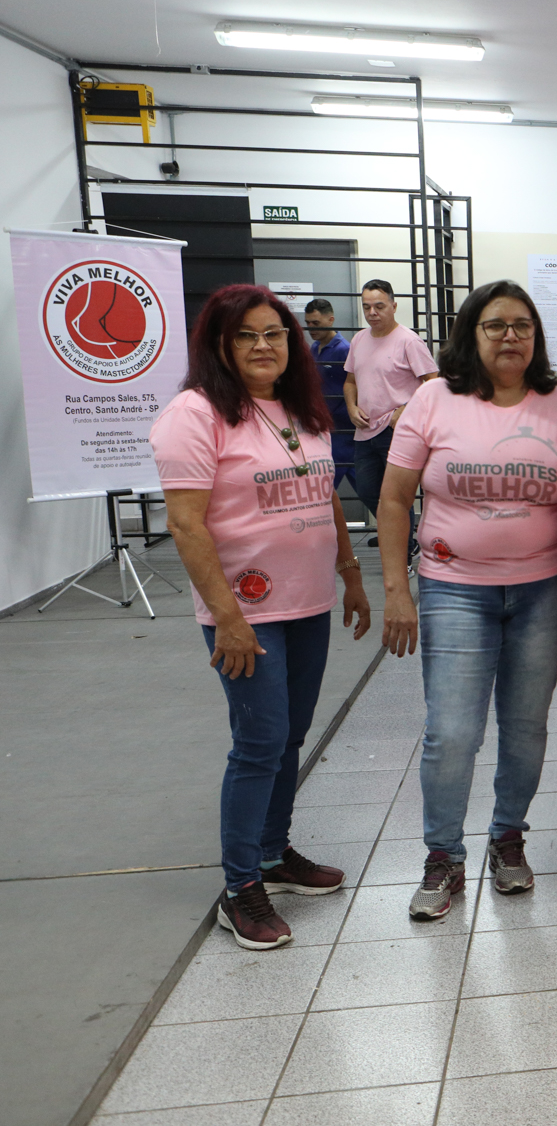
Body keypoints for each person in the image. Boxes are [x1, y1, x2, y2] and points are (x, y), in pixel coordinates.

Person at [150, 285, 372, 950]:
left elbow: (325, 493)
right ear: (219, 343)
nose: (262, 346)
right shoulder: (194, 415)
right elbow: (186, 524)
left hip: (307, 603)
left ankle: (274, 855)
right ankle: (240, 885)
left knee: (291, 735)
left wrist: (352, 575)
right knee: (259, 740)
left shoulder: (299, 409)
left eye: (274, 333)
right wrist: (228, 618)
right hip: (245, 612)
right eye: (245, 335)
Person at [377, 280, 557, 920]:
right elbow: (393, 499)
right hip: (453, 588)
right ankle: (444, 858)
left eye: (522, 325)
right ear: (472, 332)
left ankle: (508, 839)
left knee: (524, 726)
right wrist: (396, 590)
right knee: (453, 731)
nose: (510, 336)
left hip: (543, 590)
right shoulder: (435, 399)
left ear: (536, 336)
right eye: (495, 325)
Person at [344, 279, 437, 539]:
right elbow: (350, 382)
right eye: (367, 307)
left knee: (396, 495)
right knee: (367, 491)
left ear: (394, 306)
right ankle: (401, 536)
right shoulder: (359, 340)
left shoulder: (409, 341)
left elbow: (433, 382)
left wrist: (406, 408)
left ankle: (404, 551)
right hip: (365, 431)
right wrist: (351, 407)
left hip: (396, 431)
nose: (372, 312)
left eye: (379, 306)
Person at [304, 299, 356, 492]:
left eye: (315, 323)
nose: (310, 328)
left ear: (331, 320)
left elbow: (355, 387)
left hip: (344, 430)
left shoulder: (344, 350)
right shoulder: (314, 348)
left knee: (323, 490)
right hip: (326, 428)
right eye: (308, 323)